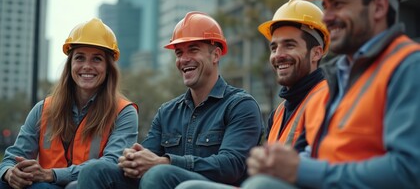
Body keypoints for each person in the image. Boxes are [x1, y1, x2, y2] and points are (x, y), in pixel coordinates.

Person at [238, 0, 420, 188]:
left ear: (379, 7)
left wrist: (301, 170)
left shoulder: (409, 66)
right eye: (326, 5)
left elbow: (407, 171)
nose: (327, 17)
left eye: (338, 4)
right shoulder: (341, 78)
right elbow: (320, 153)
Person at [76, 11, 264, 189]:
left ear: (215, 55)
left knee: (158, 174)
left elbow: (230, 166)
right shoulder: (167, 112)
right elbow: (147, 157)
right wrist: (133, 159)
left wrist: (165, 162)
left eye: (193, 50)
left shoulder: (240, 105)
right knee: (93, 170)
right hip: (162, 180)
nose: (184, 59)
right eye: (179, 53)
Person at [176, 0, 330, 189]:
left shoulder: (326, 99)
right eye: (274, 47)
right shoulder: (280, 112)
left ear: (316, 53)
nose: (278, 55)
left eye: (289, 45)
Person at [0, 18, 139, 189]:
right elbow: (13, 156)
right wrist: (10, 172)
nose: (87, 66)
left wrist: (51, 174)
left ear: (108, 67)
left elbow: (109, 166)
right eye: (80, 58)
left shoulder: (124, 112)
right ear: (70, 64)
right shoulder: (43, 109)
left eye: (97, 59)